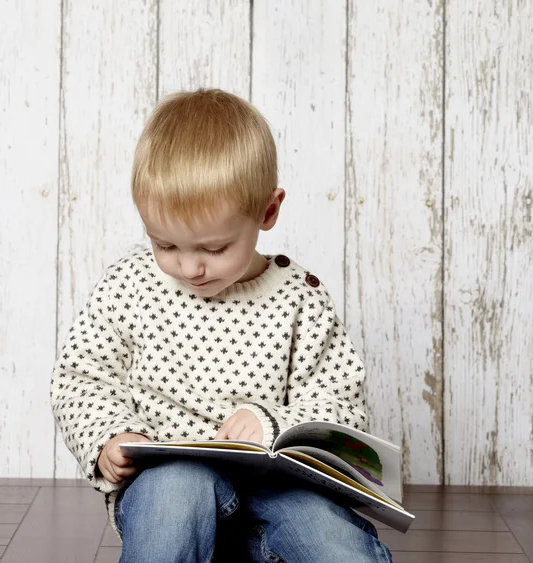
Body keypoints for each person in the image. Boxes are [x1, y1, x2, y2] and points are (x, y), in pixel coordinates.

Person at [51, 88, 393, 563]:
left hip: (277, 492)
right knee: (175, 487)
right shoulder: (129, 284)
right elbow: (82, 377)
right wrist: (110, 435)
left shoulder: (300, 298)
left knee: (325, 532)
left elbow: (342, 409)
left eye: (213, 249)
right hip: (170, 490)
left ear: (267, 211)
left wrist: (274, 423)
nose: (190, 268)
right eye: (165, 244)